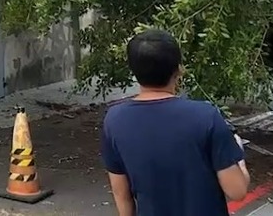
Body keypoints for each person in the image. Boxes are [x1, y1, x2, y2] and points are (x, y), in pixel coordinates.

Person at [100, 29, 250, 216]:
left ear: (133, 70)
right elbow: (237, 191)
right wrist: (238, 154)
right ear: (179, 69)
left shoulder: (114, 120)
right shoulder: (206, 116)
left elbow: (121, 195)